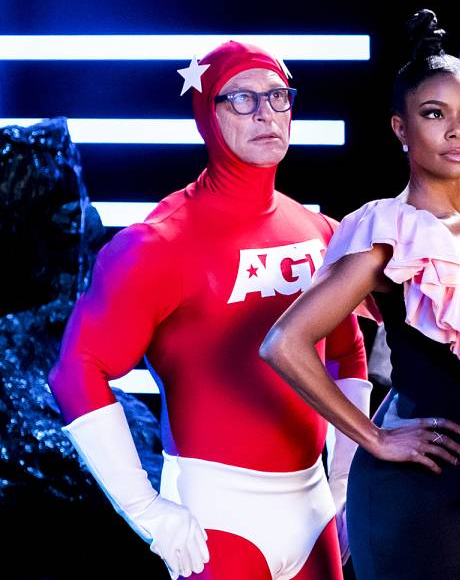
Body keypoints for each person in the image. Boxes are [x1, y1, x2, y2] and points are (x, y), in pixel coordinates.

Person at [47, 41, 370, 579]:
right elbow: (75, 370)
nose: (265, 113)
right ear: (206, 114)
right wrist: (144, 509)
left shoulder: (319, 232)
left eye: (278, 96)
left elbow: (347, 349)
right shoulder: (158, 244)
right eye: (242, 98)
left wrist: (344, 481)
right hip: (217, 514)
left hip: (314, 509)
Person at [259, 9, 460, 580]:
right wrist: (375, 437)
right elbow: (283, 343)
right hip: (418, 502)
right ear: (400, 128)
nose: (457, 130)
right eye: (434, 114)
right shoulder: (390, 234)